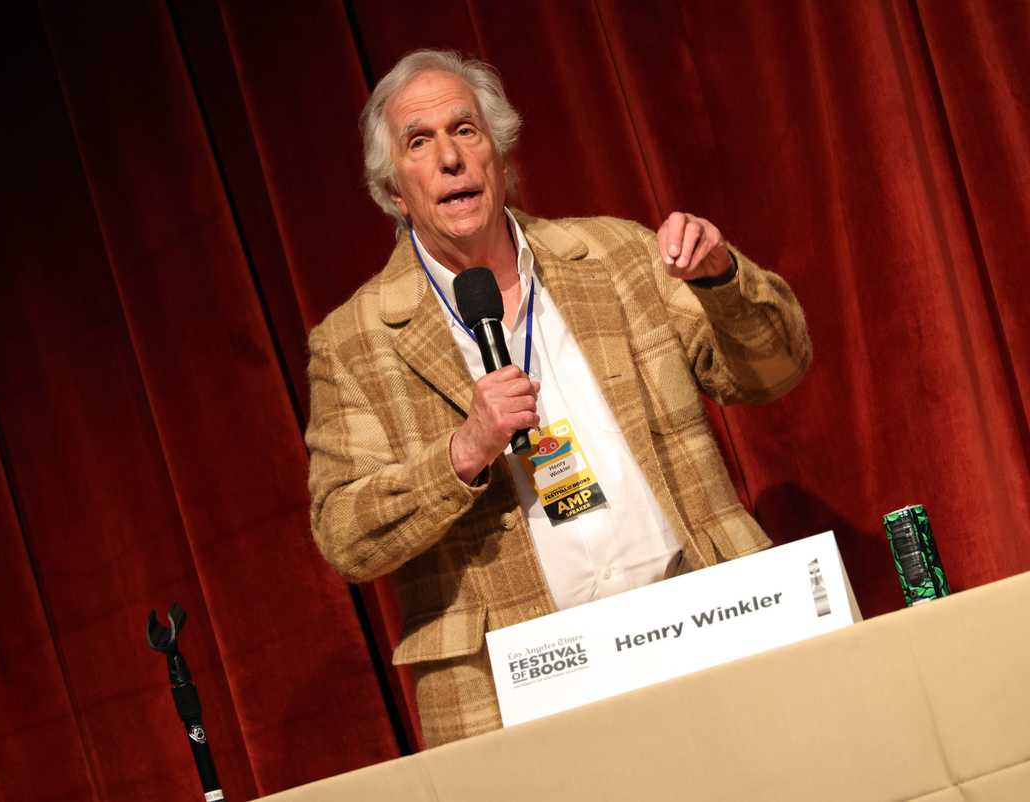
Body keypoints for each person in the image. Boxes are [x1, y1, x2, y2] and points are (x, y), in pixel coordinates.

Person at [305, 49, 811, 747]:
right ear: (395, 190)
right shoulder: (355, 341)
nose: (450, 158)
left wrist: (723, 279)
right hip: (521, 693)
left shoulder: (616, 256)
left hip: (701, 618)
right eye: (419, 143)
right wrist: (462, 452)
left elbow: (774, 370)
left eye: (466, 130)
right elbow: (345, 533)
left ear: (501, 155)